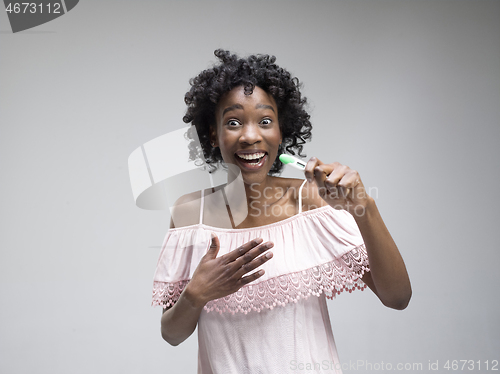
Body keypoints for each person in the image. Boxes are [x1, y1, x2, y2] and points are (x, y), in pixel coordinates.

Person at [152, 49, 411, 373]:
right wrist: (196, 295)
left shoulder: (311, 201)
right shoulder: (191, 214)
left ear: (280, 132)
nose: (250, 135)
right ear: (213, 135)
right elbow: (171, 334)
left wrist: (363, 207)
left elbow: (397, 297)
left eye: (265, 121)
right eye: (233, 122)